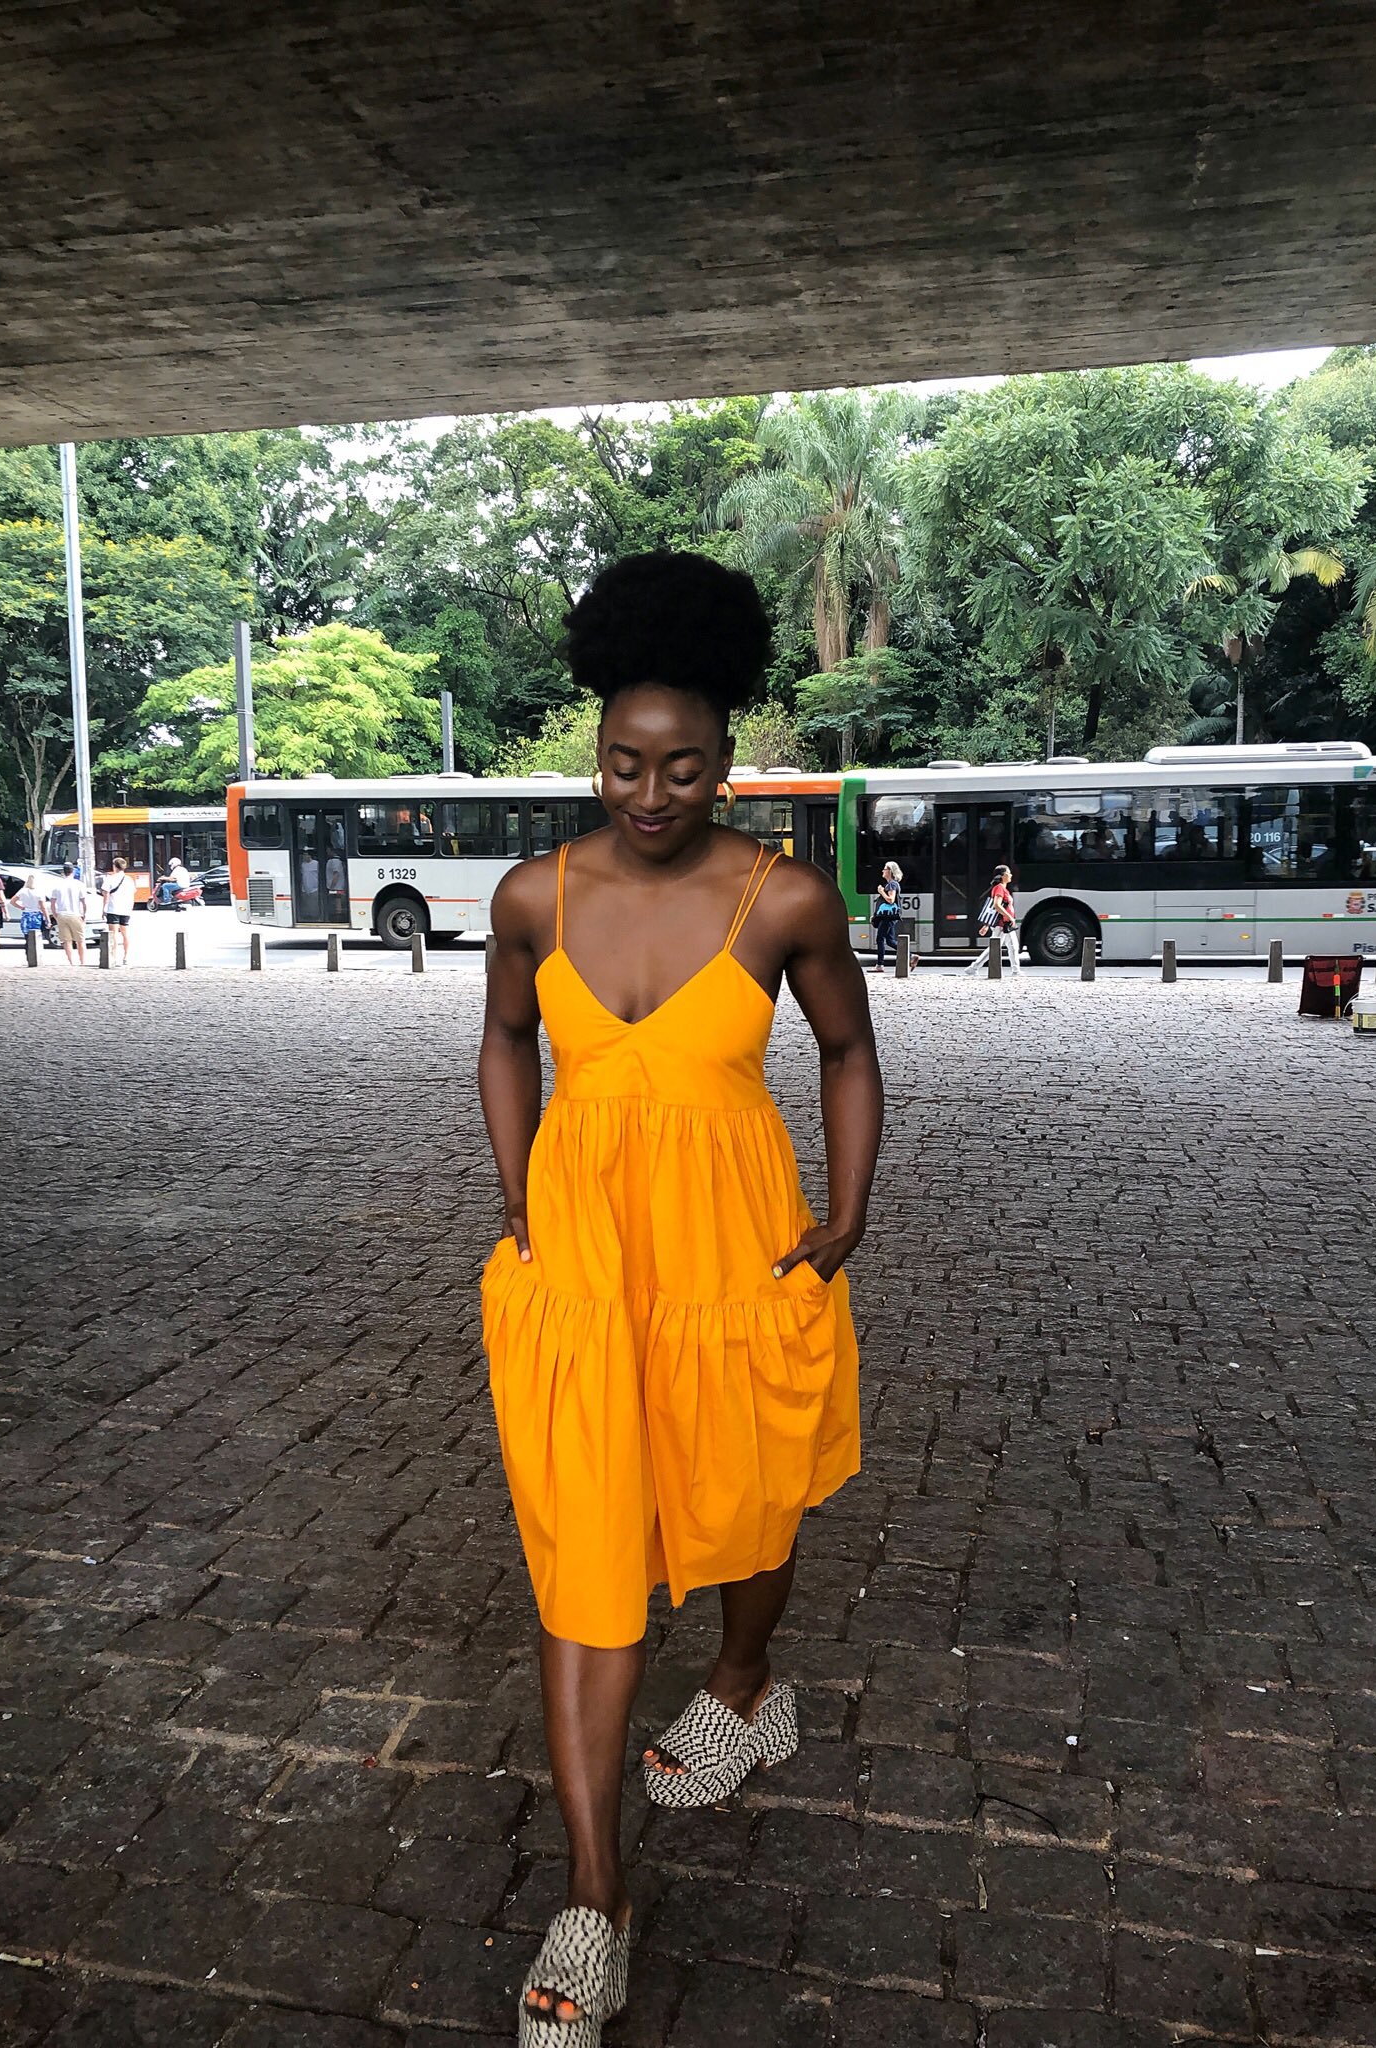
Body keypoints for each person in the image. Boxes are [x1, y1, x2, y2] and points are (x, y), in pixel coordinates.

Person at [479, 552, 883, 2046]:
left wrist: (846, 1214)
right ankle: (595, 1900)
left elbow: (848, 1050)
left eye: (686, 767)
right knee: (587, 1560)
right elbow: (504, 1039)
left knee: (748, 1496)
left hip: (732, 1254)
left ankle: (746, 1682)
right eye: (624, 763)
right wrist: (519, 1195)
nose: (651, 794)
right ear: (596, 751)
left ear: (729, 758)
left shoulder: (784, 899)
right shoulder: (533, 894)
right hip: (583, 1272)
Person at [964, 862, 1021, 975]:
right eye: (1009, 873)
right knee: (995, 948)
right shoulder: (999, 888)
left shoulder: (1003, 888)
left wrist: (987, 925)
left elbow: (993, 909)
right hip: (1001, 924)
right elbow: (996, 905)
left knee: (1013, 946)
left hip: (1006, 924)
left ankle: (1016, 970)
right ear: (1003, 875)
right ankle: (973, 968)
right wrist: (1009, 917)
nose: (1011, 875)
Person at [49, 861, 88, 966]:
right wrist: (84, 914)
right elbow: (84, 902)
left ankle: (71, 962)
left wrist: (55, 915)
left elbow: (52, 903)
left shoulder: (57, 885)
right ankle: (82, 962)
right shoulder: (79, 885)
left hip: (62, 914)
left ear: (63, 872)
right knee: (80, 940)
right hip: (75, 914)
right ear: (73, 871)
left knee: (66, 940)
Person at [99, 856, 136, 963]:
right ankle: (126, 956)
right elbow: (132, 894)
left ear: (115, 866)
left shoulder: (110, 878)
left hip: (113, 908)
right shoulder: (129, 879)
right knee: (125, 933)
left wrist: (104, 909)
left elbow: (106, 895)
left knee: (113, 933)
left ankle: (113, 956)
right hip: (126, 909)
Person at [871, 859, 904, 970]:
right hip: (888, 917)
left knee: (880, 939)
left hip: (887, 917)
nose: (883, 871)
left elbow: (890, 900)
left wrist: (881, 892)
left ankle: (879, 965)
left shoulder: (892, 884)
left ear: (890, 871)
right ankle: (911, 956)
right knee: (890, 941)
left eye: (885, 869)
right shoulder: (892, 884)